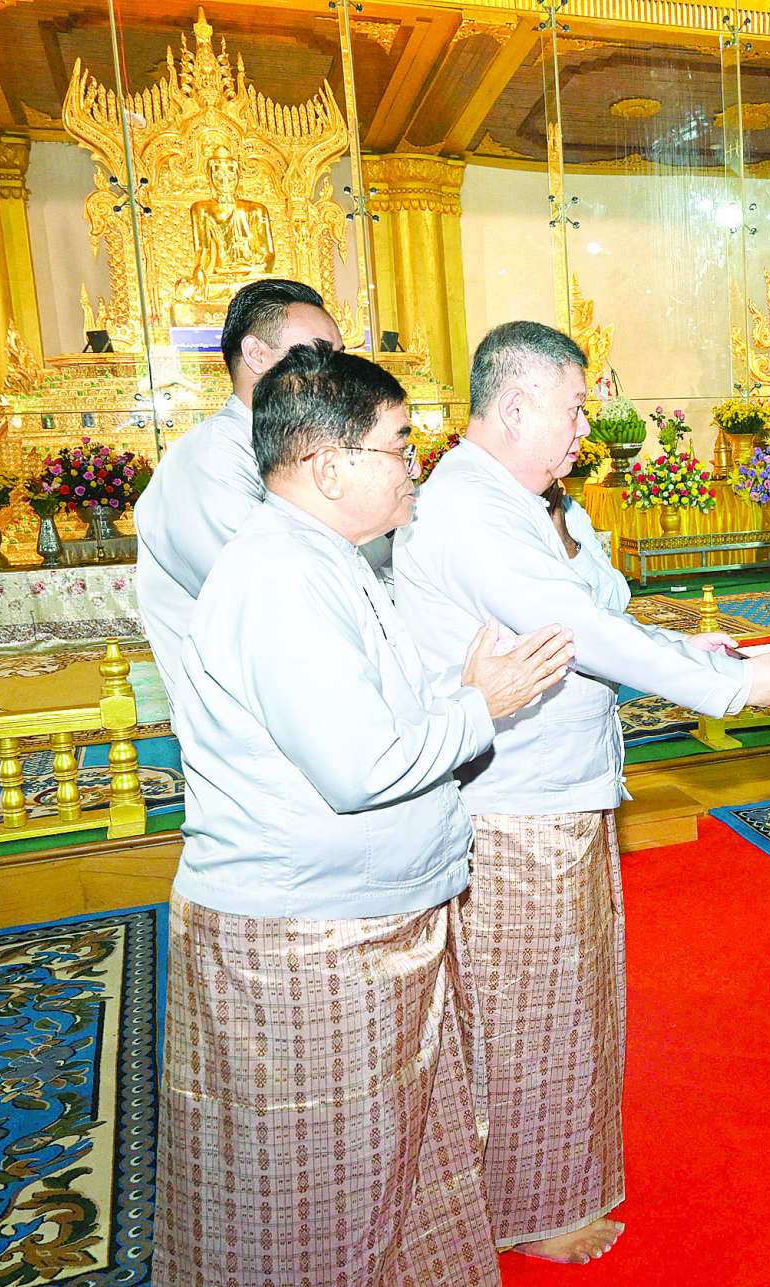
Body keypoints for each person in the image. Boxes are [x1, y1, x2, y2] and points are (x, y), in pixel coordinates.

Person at [152, 340, 576, 1286]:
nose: (413, 464)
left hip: (356, 916)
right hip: (306, 936)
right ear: (328, 464)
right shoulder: (280, 576)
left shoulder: (327, 558)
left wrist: (456, 694)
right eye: (398, 446)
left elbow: (375, 714)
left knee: (392, 1164)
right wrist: (483, 706)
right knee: (318, 1193)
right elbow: (360, 767)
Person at [394, 320, 770, 1265]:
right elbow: (576, 629)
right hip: (516, 801)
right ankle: (528, 1210)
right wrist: (729, 688)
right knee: (528, 1013)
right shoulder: (471, 510)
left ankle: (546, 1191)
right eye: (576, 407)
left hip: (556, 787)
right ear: (515, 406)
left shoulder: (525, 502)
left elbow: (601, 611)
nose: (587, 427)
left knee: (566, 1001)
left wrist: (696, 651)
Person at [135, 278, 343, 692]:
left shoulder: (296, 445)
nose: (339, 375)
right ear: (256, 354)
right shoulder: (210, 459)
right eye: (321, 355)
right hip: (246, 704)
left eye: (340, 358)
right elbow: (265, 597)